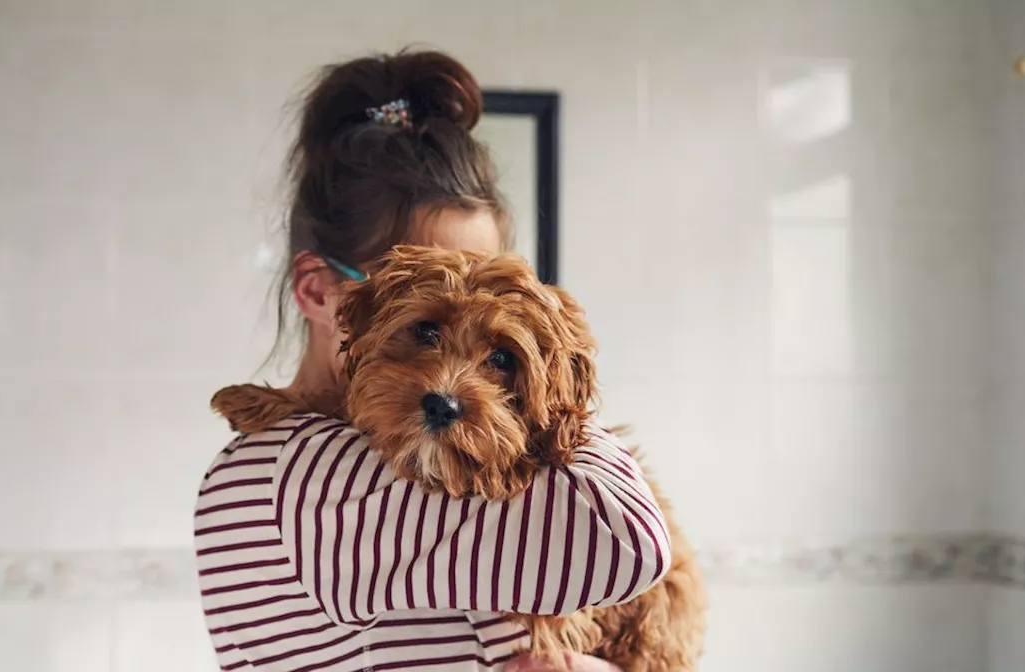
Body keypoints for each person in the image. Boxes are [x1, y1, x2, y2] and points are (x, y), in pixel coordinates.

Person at [195, 49, 671, 672]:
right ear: (319, 290)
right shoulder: (303, 469)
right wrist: (568, 383)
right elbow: (627, 542)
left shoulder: (361, 462)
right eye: (425, 320)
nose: (452, 380)